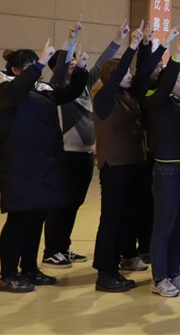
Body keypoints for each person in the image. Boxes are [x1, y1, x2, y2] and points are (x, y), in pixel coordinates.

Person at [0, 37, 88, 292]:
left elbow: (69, 93)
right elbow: (17, 91)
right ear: (15, 69)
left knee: (36, 219)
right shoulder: (4, 89)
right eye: (31, 66)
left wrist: (80, 70)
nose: (37, 69)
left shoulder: (42, 89)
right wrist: (39, 65)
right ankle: (7, 275)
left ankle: (30, 269)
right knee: (18, 220)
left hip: (44, 165)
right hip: (19, 167)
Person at [43, 19, 122, 269]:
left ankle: (63, 246)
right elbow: (62, 68)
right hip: (66, 154)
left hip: (86, 154)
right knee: (61, 203)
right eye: (69, 61)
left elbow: (99, 66)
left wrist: (118, 40)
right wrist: (71, 40)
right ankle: (50, 251)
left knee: (75, 203)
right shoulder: (57, 87)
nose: (73, 63)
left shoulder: (83, 85)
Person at [92, 21, 160, 292]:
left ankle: (116, 266)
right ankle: (105, 273)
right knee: (112, 220)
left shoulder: (129, 96)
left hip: (134, 165)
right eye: (125, 72)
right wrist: (130, 46)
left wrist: (156, 46)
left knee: (126, 219)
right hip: (115, 168)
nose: (130, 75)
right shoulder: (104, 98)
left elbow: (144, 73)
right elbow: (123, 70)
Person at [143, 27, 180, 298]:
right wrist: (176, 54)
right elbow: (167, 81)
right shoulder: (156, 100)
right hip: (168, 169)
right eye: (177, 79)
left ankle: (174, 273)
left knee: (179, 226)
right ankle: (160, 278)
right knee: (164, 227)